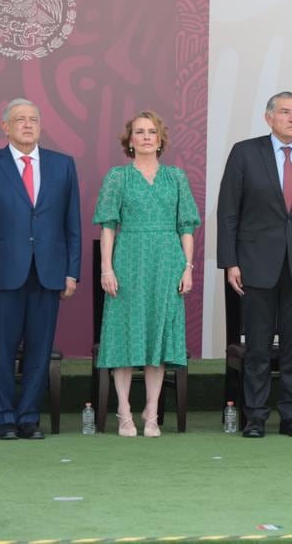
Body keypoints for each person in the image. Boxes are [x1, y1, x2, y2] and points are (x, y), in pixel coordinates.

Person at [217, 91, 292, 438]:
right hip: (256, 263)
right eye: (285, 112)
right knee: (257, 346)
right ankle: (255, 417)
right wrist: (230, 261)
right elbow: (228, 211)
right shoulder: (245, 152)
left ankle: (291, 417)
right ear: (268, 117)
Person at [0, 98, 81, 440]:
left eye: (33, 119)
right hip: (3, 273)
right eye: (19, 120)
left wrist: (71, 271)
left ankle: (29, 416)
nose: (27, 124)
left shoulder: (63, 165)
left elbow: (71, 223)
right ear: (5, 127)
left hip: (48, 271)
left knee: (40, 348)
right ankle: (3, 418)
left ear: (41, 126)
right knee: (2, 348)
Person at [92, 111, 200, 437]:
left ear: (160, 138)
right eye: (139, 132)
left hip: (167, 263)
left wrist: (188, 267)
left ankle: (151, 413)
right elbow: (108, 225)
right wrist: (106, 268)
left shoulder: (176, 177)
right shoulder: (117, 177)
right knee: (125, 337)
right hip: (128, 261)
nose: (146, 137)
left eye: (152, 131)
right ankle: (124, 412)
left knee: (159, 338)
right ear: (130, 141)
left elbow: (186, 227)